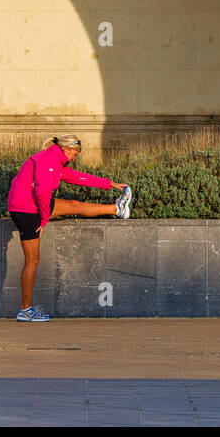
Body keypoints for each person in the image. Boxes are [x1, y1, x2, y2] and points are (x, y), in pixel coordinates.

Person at [7, 134, 132, 322]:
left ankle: (117, 208)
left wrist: (109, 184)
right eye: (74, 154)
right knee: (32, 260)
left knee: (74, 205)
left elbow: (77, 178)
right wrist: (43, 220)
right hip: (27, 209)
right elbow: (42, 191)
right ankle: (25, 309)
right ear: (66, 149)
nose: (75, 158)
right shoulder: (49, 160)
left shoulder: (54, 160)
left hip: (28, 205)